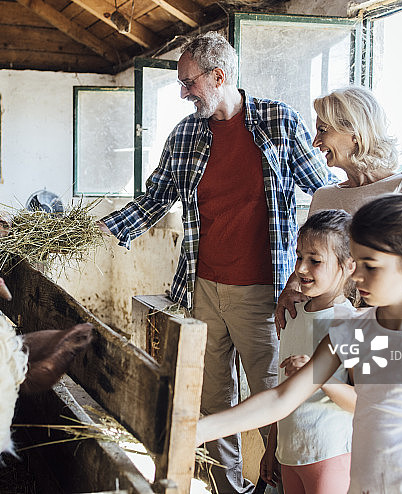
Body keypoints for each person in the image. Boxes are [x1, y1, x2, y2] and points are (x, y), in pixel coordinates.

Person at [98, 31, 336, 493]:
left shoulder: (277, 122)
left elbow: (324, 194)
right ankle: (229, 489)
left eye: (189, 82)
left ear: (218, 76)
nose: (183, 92)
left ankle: (283, 486)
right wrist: (103, 230)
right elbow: (154, 198)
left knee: (275, 398)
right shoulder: (187, 133)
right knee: (213, 399)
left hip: (263, 294)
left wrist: (329, 270)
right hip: (202, 287)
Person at [196, 194, 402, 494]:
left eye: (371, 266)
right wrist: (197, 431)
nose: (356, 274)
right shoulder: (352, 332)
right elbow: (281, 399)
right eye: (355, 262)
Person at [276, 85, 402, 332]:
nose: (316, 143)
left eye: (323, 131)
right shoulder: (323, 196)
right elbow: (312, 256)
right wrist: (291, 288)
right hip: (330, 326)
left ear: (355, 133)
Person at [262, 209, 357, 494]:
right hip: (289, 454)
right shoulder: (290, 315)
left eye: (315, 261)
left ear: (348, 266)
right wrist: (272, 446)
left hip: (329, 453)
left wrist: (317, 376)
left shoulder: (350, 323)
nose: (301, 268)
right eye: (299, 256)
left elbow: (362, 402)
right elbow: (284, 390)